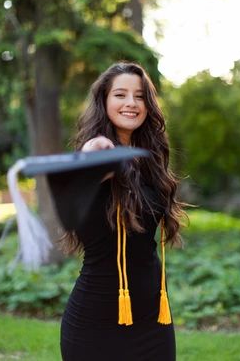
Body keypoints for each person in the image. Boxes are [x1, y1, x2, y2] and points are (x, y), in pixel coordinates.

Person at [60, 62, 186, 361]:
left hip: (153, 319)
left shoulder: (150, 162)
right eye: (120, 94)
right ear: (104, 101)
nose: (131, 103)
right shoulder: (99, 154)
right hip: (96, 322)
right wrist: (93, 153)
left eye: (140, 96)